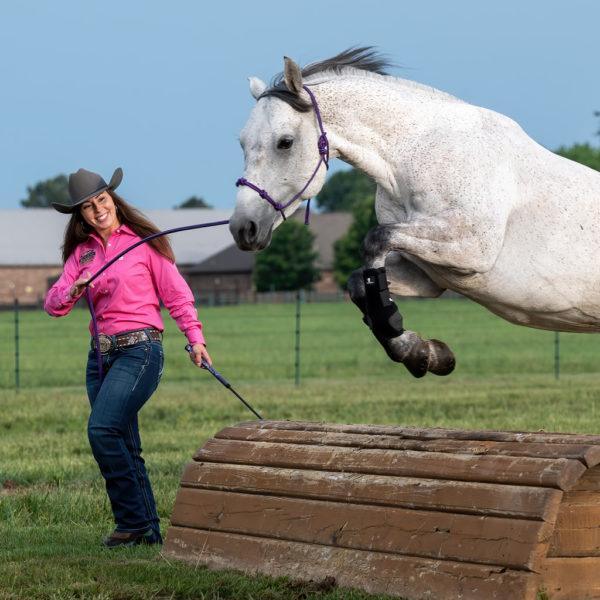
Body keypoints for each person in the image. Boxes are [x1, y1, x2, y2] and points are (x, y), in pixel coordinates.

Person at [44, 167, 211, 548]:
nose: (97, 210)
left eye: (101, 200)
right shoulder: (82, 254)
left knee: (102, 430)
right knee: (123, 442)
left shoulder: (144, 243)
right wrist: (73, 289)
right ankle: (146, 531)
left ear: (114, 200)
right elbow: (53, 305)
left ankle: (131, 523)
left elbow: (177, 295)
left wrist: (195, 339)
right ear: (80, 215)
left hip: (141, 350)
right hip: (101, 358)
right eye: (87, 206)